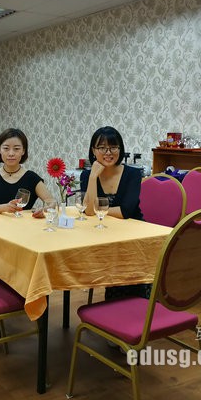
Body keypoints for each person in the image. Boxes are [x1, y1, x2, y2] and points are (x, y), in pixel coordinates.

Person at [0, 127, 53, 282]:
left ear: (23, 151)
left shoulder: (32, 178)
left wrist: (44, 210)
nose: (11, 153)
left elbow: (51, 202)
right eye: (6, 148)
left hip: (25, 238)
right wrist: (6, 207)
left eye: (16, 149)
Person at [80, 126, 148, 300]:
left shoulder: (133, 174)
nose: (108, 152)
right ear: (93, 150)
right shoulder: (87, 175)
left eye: (113, 147)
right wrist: (93, 177)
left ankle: (135, 302)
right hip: (103, 233)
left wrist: (99, 210)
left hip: (132, 234)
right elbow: (88, 211)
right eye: (102, 148)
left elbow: (125, 211)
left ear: (120, 148)